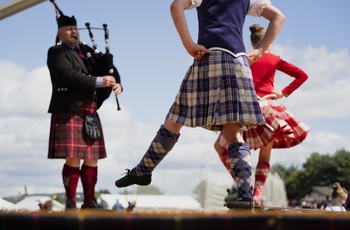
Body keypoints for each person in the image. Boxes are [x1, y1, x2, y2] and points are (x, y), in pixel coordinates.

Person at [115, 0, 285, 205]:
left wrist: (188, 44)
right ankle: (245, 196)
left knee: (175, 119)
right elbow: (279, 17)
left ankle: (143, 170)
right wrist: (259, 51)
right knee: (234, 133)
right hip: (238, 62)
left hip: (211, 56)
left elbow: (175, 6)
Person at [214, 23, 310, 205]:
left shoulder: (243, 57)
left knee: (221, 148)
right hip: (268, 109)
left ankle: (243, 186)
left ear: (251, 41)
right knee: (265, 156)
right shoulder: (274, 59)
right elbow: (302, 75)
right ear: (269, 41)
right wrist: (284, 92)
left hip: (245, 109)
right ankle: (256, 194)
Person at [47, 10, 122, 210]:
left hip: (89, 111)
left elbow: (108, 68)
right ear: (60, 33)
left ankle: (89, 202)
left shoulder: (86, 51)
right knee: (73, 157)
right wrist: (99, 81)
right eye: (68, 29)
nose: (73, 32)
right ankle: (71, 202)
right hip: (69, 110)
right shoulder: (56, 53)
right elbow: (68, 75)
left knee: (92, 158)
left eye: (74, 28)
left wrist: (117, 83)